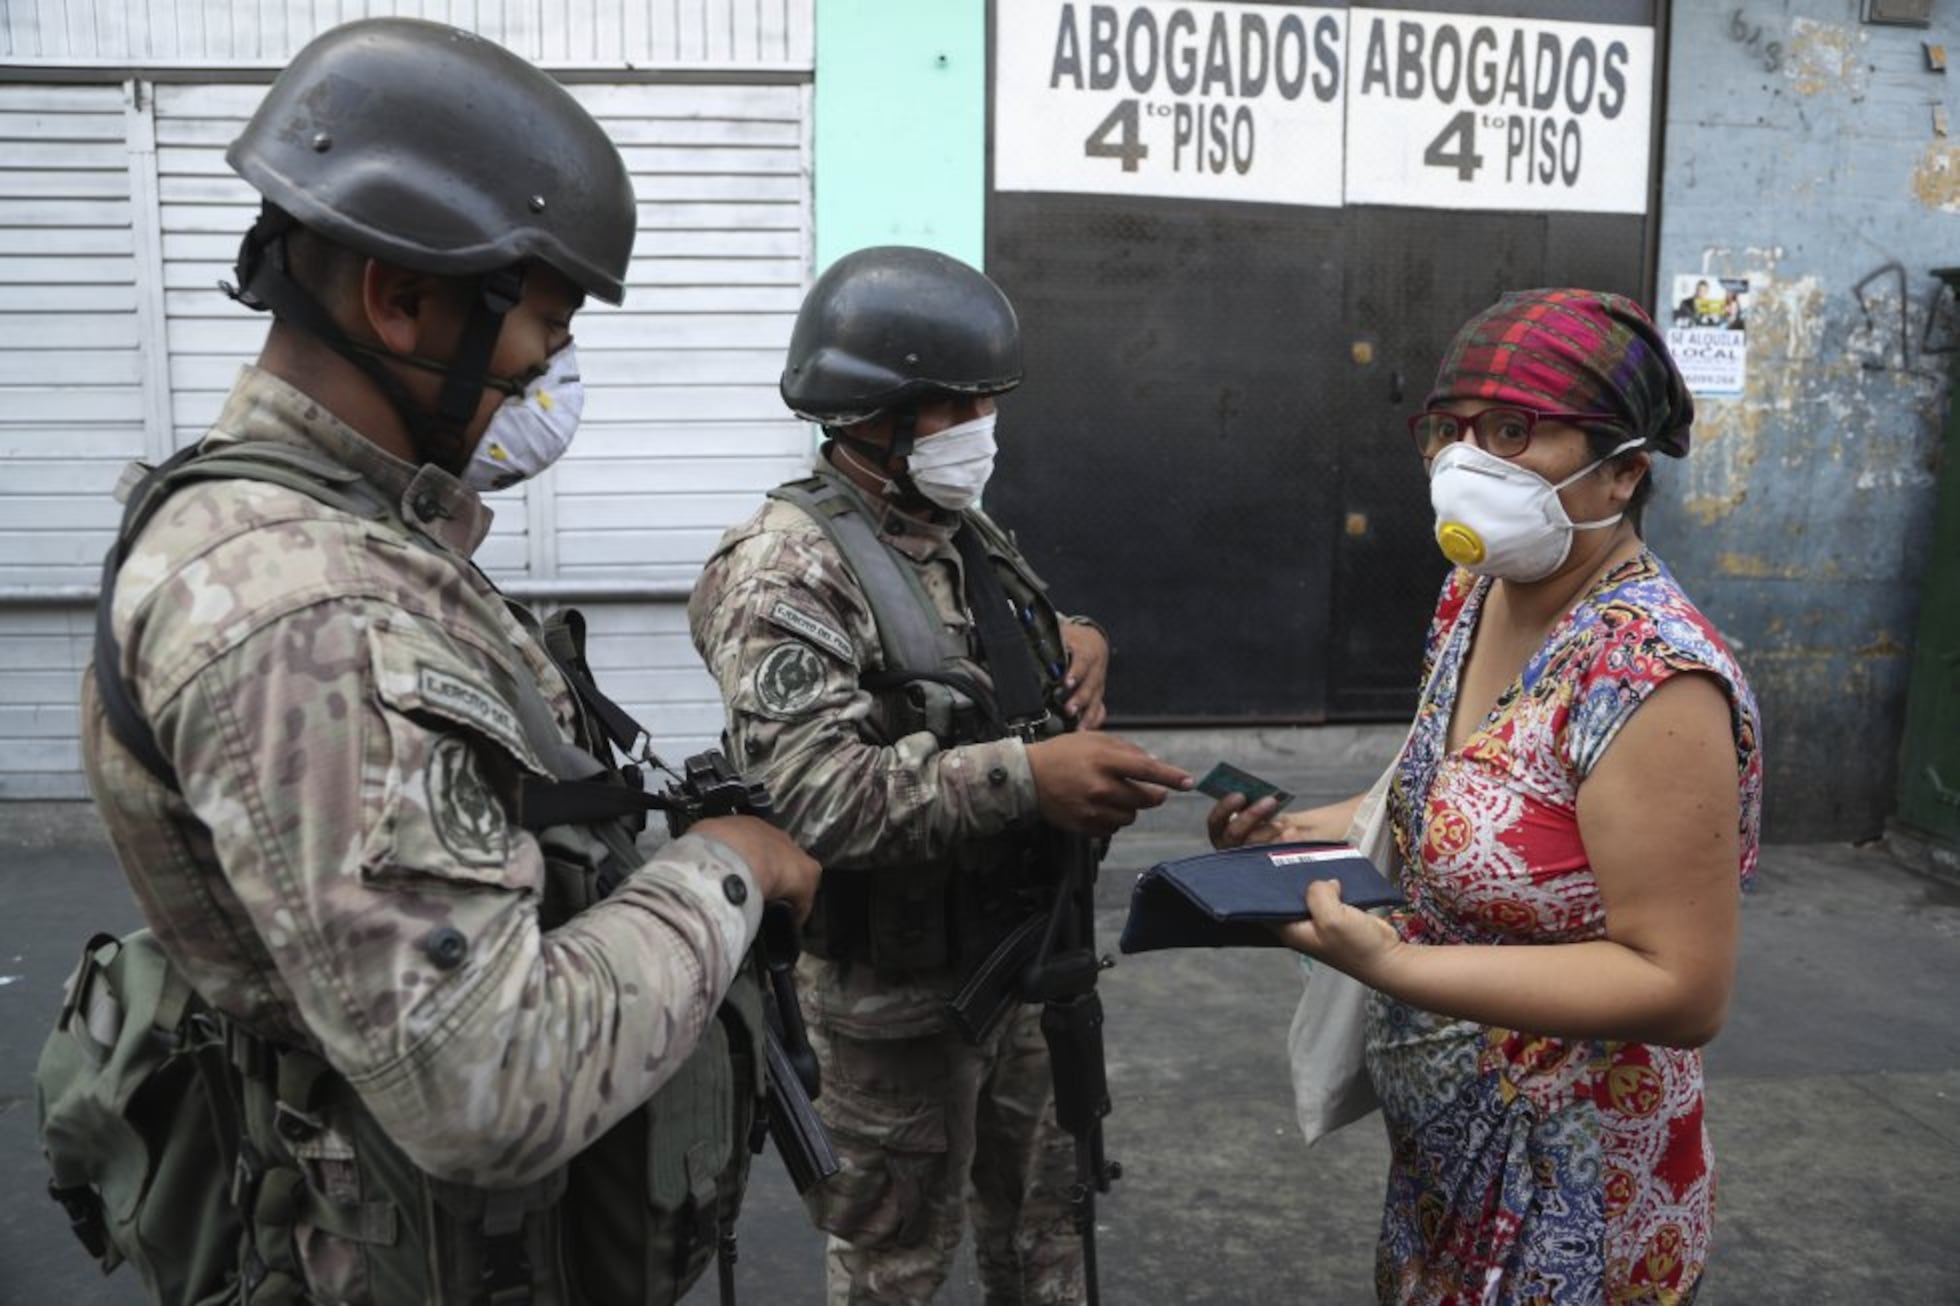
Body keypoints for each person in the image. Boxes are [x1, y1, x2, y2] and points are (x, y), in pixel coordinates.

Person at [74, 18, 817, 1303]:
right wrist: (725, 873)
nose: (551, 370)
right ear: (401, 299)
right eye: (545, 324)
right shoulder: (301, 612)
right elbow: (491, 1082)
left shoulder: (341, 531)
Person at [1209, 289, 1763, 1304]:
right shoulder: (1474, 596)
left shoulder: (1650, 678)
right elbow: (1451, 792)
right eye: (1449, 431)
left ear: (1626, 466)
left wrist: (1400, 963)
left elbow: (1683, 988)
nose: (1466, 463)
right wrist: (1295, 834)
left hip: (1573, 1176)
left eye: (1513, 431)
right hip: (1444, 1144)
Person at [688, 245, 1192, 1304]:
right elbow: (814, 798)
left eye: (983, 403)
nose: (980, 427)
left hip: (1022, 962)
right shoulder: (784, 567)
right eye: (957, 404)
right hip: (893, 1004)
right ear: (877, 413)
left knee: (1043, 1230)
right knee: (895, 1263)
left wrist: (1070, 634)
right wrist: (1029, 776)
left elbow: (963, 651)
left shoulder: (950, 527)